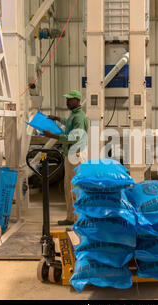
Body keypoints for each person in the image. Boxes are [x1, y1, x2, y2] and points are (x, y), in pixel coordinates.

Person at [43, 90, 89, 226]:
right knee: (69, 186)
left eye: (70, 99)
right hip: (72, 155)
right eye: (67, 99)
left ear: (77, 100)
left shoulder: (79, 117)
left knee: (73, 187)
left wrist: (54, 136)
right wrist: (56, 118)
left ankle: (75, 219)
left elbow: (75, 137)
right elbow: (68, 122)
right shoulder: (74, 115)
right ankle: (72, 217)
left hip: (75, 155)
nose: (67, 102)